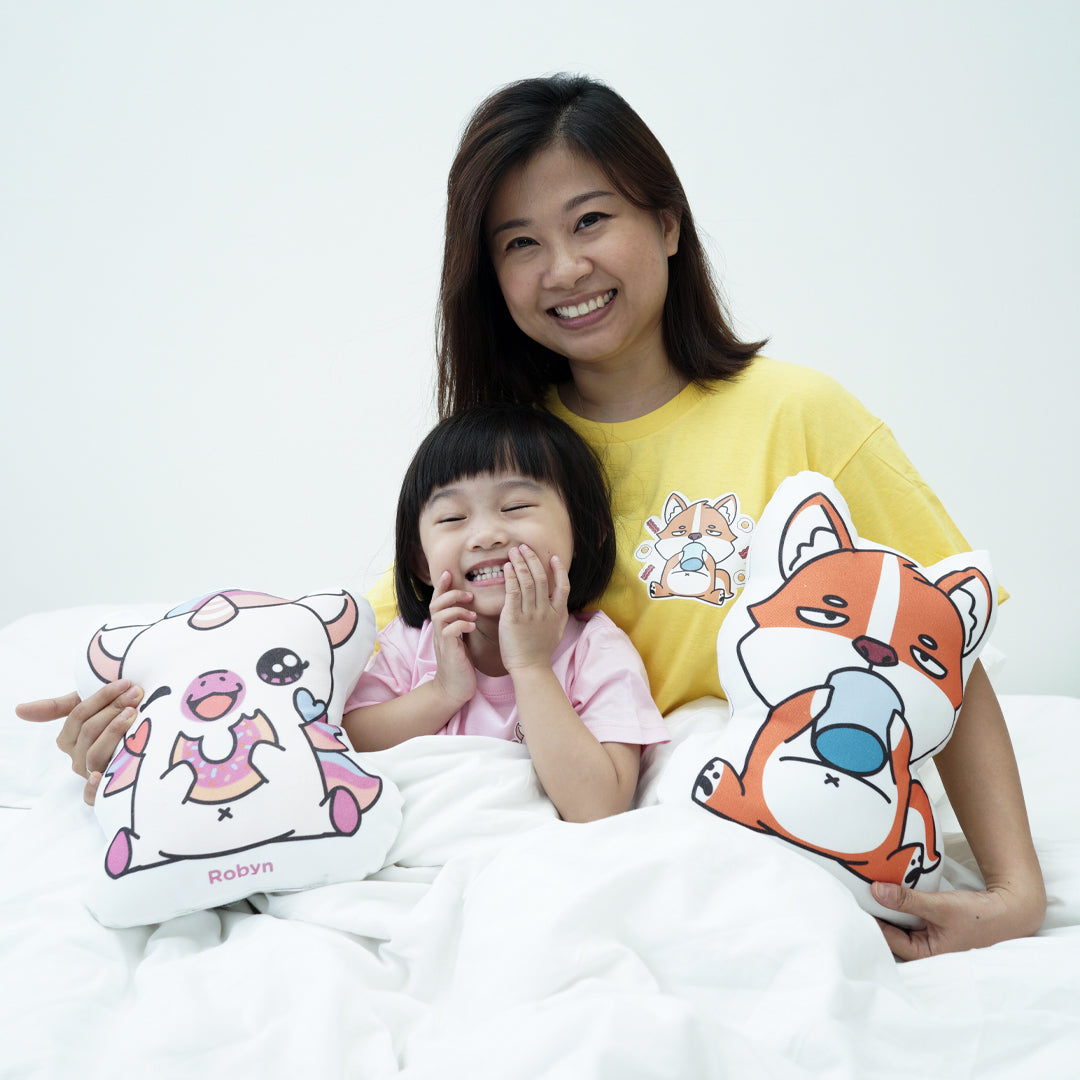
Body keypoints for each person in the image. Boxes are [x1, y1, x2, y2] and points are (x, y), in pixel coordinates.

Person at [19, 73, 1045, 959]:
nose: (564, 268)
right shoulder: (504, 464)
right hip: (546, 853)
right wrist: (155, 715)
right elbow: (347, 656)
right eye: (521, 242)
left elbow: (947, 660)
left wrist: (1013, 894)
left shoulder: (800, 415)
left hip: (727, 829)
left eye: (591, 220)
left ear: (668, 224)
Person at [340, 403, 668, 822]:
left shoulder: (596, 651)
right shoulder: (411, 643)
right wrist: (443, 692)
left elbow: (599, 808)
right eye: (453, 517)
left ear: (587, 531)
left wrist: (531, 666)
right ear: (420, 561)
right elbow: (341, 745)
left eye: (514, 507)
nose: (485, 535)